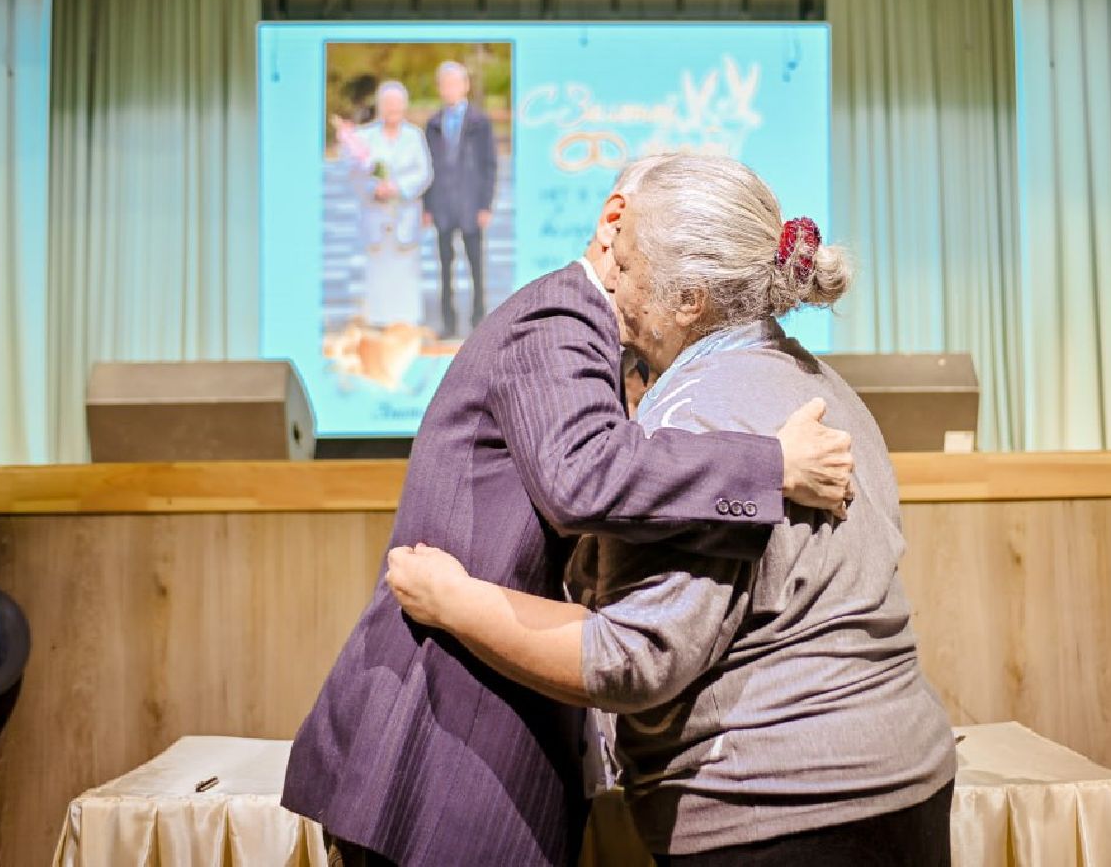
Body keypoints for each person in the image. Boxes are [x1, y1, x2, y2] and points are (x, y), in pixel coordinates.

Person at [281, 158, 860, 867]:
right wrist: (774, 464)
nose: (679, 315)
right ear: (615, 224)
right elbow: (581, 476)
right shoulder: (559, 316)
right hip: (441, 746)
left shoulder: (590, 334)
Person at [386, 156, 957, 866]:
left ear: (687, 300)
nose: (611, 283)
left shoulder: (697, 418)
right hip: (908, 786)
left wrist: (455, 603)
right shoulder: (823, 383)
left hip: (778, 813)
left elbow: (634, 658)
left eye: (627, 268)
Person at [336, 82, 433, 327]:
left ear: (404, 106)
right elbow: (355, 175)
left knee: (405, 274)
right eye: (388, 104)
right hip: (376, 218)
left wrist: (398, 188)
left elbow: (424, 173)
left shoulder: (414, 136)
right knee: (377, 273)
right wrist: (374, 189)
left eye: (397, 104)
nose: (393, 109)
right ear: (380, 107)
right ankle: (378, 322)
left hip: (405, 218)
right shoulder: (365, 136)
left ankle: (405, 325)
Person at [422, 60, 497, 337]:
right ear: (440, 89)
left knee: (476, 267)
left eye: (456, 83)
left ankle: (479, 320)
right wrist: (427, 206)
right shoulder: (432, 124)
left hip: (470, 205)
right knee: (445, 269)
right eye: (445, 84)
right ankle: (448, 322)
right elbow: (426, 167)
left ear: (465, 86)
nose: (450, 89)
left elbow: (489, 165)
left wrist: (485, 204)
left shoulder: (479, 122)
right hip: (442, 205)